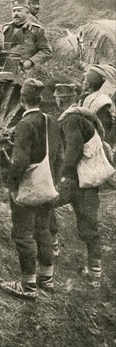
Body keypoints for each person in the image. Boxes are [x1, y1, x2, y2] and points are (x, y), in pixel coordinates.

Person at [0, 79, 62, 300]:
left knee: (23, 236)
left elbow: (20, 161)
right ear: (40, 99)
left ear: (22, 99)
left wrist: (12, 186)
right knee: (43, 231)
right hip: (47, 186)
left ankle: (28, 286)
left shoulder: (25, 124)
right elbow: (59, 157)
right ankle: (47, 279)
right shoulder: (51, 121)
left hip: (28, 187)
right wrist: (53, 183)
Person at [55, 83, 104, 287]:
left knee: (45, 204)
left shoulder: (71, 119)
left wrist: (65, 174)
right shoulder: (82, 115)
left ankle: (94, 274)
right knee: (88, 224)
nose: (57, 100)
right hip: (86, 180)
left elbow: (73, 148)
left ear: (61, 99)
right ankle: (95, 272)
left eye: (58, 97)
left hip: (78, 180)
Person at [2, 0, 52, 72]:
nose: (16, 14)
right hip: (3, 69)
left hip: (25, 71)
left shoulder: (37, 30)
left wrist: (29, 62)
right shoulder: (5, 29)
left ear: (27, 12)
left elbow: (47, 51)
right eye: (14, 11)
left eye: (19, 11)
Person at [81, 64, 116, 149]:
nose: (82, 82)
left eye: (85, 80)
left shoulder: (103, 102)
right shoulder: (86, 98)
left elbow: (104, 130)